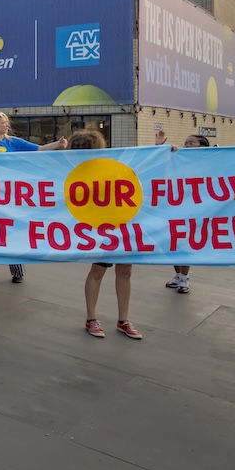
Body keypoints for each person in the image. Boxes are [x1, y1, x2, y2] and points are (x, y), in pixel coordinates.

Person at [71, 128, 143, 340]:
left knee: (125, 271)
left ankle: (123, 320)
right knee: (98, 270)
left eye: (89, 149)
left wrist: (161, 150)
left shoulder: (111, 165)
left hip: (122, 224)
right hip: (98, 227)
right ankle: (91, 318)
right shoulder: (73, 170)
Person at [0, 112, 68, 283]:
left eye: (6, 122)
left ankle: (17, 271)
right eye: (3, 123)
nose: (7, 125)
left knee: (12, 230)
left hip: (12, 194)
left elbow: (39, 149)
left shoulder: (13, 142)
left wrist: (58, 144)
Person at [155, 129, 210, 293]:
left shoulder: (208, 163)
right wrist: (159, 147)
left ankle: (184, 278)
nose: (187, 145)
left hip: (193, 209)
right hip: (174, 207)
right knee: (173, 242)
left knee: (185, 243)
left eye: (191, 143)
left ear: (202, 147)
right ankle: (178, 275)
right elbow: (159, 166)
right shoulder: (178, 159)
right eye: (186, 143)